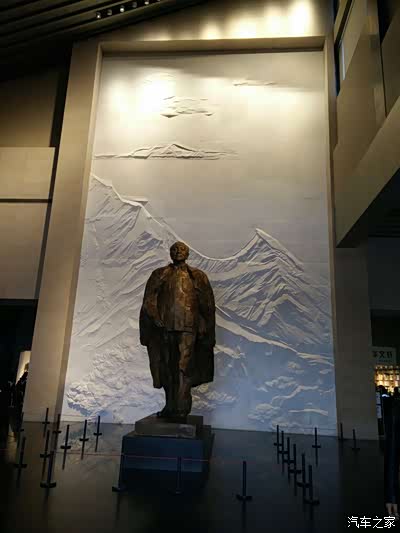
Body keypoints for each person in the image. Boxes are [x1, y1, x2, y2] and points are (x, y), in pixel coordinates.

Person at [140, 241, 215, 419]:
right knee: (166, 367)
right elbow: (149, 299)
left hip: (188, 328)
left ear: (187, 253)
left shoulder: (197, 276)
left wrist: (204, 323)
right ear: (170, 253)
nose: (177, 251)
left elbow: (207, 303)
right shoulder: (160, 274)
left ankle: (182, 408)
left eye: (181, 249)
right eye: (174, 249)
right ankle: (170, 406)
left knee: (184, 367)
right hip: (164, 328)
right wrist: (155, 318)